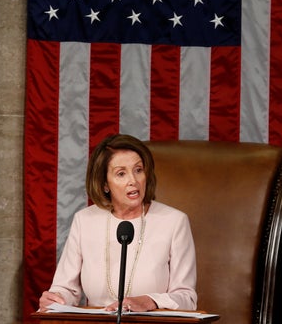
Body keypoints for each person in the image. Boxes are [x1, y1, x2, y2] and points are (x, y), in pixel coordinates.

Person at [38, 134, 197, 313]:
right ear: (105, 184)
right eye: (121, 173)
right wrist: (56, 299)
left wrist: (149, 301)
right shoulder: (85, 221)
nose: (133, 181)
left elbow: (187, 298)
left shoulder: (174, 222)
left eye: (138, 170)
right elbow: (66, 289)